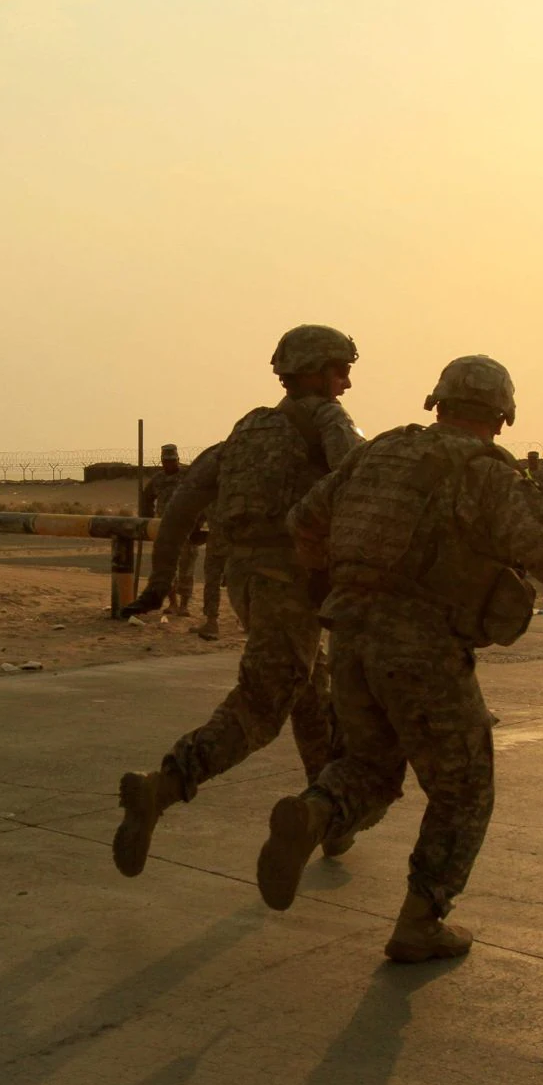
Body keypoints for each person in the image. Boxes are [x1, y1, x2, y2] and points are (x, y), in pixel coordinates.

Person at [255, 355, 543, 963]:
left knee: (373, 768)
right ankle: (421, 921)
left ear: (437, 403)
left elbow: (304, 519)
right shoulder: (487, 472)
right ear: (502, 415)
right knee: (464, 789)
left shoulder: (376, 452)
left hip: (351, 634)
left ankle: (314, 811)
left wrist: (333, 577)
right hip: (423, 649)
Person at [113, 324, 363, 877]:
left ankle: (328, 817)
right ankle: (166, 785)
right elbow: (361, 478)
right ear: (317, 372)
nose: (346, 383)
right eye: (340, 370)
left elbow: (181, 507)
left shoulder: (245, 433)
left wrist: (158, 584)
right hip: (291, 582)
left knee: (309, 689)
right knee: (263, 704)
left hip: (247, 582)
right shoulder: (326, 420)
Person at [139, 444, 199, 616]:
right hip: (164, 529)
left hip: (186, 528)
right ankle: (173, 603)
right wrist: (148, 521)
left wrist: (199, 521)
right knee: (166, 568)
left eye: (172, 461)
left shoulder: (188, 476)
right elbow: (146, 499)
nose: (169, 464)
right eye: (166, 461)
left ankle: (184, 605)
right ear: (161, 461)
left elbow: (201, 497)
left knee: (186, 568)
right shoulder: (158, 480)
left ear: (178, 460)